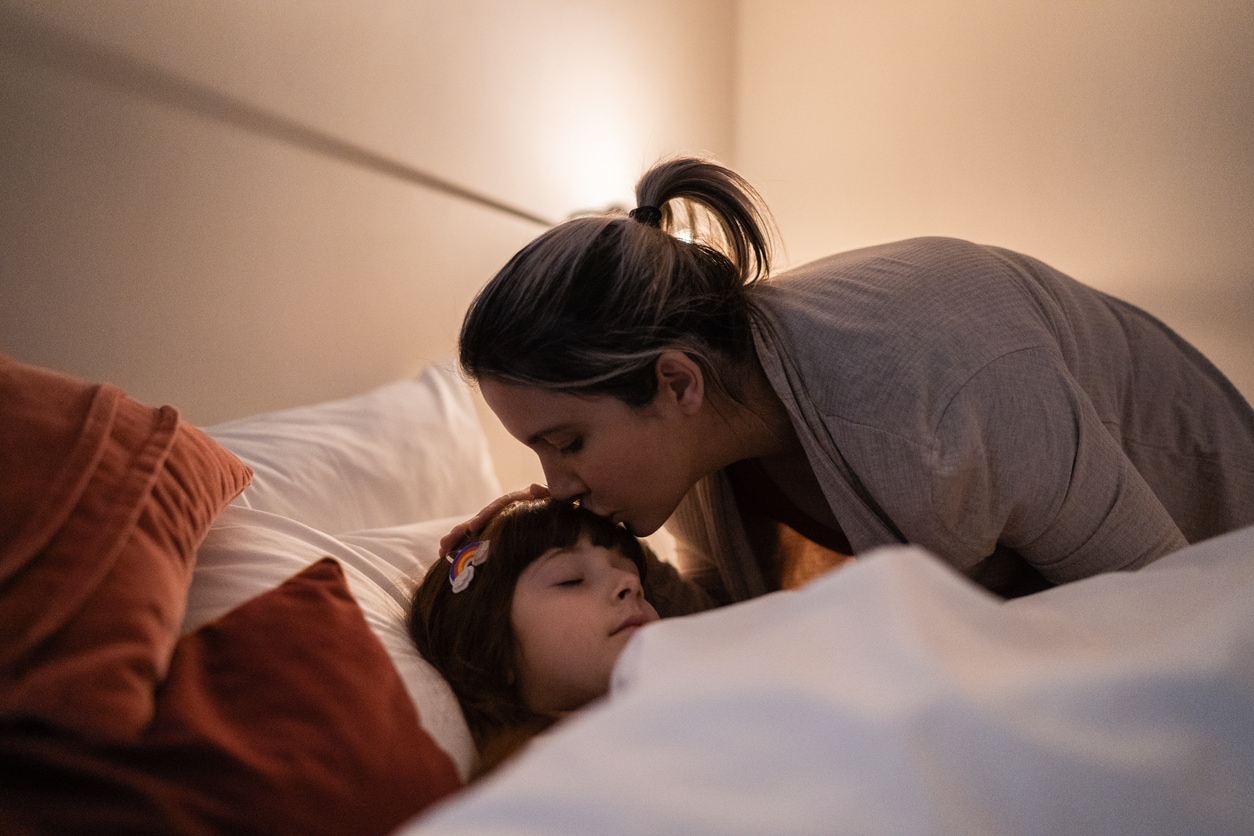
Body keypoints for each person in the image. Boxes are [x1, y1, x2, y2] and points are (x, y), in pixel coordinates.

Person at [444, 155, 1254, 603]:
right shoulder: (704, 432)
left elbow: (1164, 613)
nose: (556, 485)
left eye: (566, 443)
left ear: (676, 385)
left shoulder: (941, 389)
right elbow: (729, 606)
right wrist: (531, 557)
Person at [410, 496, 660, 778]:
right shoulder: (548, 772)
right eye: (572, 579)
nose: (631, 583)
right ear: (492, 651)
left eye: (634, 574)